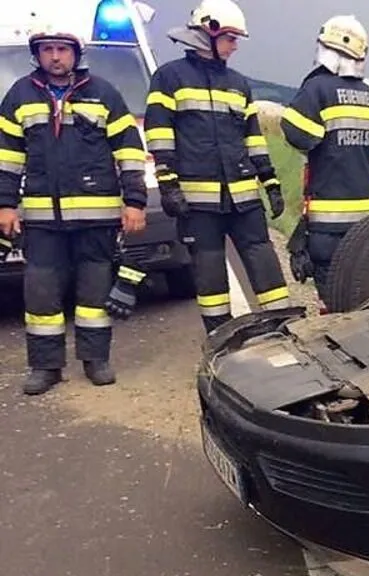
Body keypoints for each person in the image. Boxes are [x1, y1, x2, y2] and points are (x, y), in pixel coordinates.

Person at [0, 27, 148, 395]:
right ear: (38, 54)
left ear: (75, 54)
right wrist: (4, 204)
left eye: (62, 50)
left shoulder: (103, 94)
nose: (55, 56)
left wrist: (135, 202)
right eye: (48, 49)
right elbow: (6, 158)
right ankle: (45, 367)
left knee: (94, 293)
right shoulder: (19, 95)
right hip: (42, 221)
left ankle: (96, 360)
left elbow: (129, 151)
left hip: (97, 218)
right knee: (41, 295)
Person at [143, 0, 290, 334]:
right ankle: (220, 335)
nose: (235, 46)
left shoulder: (238, 83)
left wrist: (270, 182)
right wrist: (167, 184)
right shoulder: (169, 77)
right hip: (198, 199)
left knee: (263, 257)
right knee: (208, 267)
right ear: (206, 33)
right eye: (230, 38)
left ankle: (283, 326)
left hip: (243, 195)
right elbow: (159, 132)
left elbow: (252, 137)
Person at [281, 15, 369, 307]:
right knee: (363, 291)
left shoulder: (318, 89)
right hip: (366, 219)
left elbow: (295, 133)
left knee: (333, 299)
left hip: (328, 218)